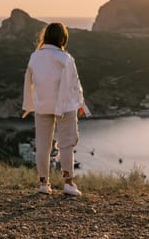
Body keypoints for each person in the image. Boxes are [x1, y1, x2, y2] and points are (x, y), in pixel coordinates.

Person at [22, 22, 90, 196]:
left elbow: (28, 83)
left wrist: (30, 104)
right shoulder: (66, 58)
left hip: (42, 105)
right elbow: (74, 85)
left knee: (42, 145)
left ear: (46, 37)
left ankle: (44, 184)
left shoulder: (34, 56)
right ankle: (68, 183)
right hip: (65, 106)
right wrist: (81, 104)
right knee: (67, 143)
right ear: (63, 38)